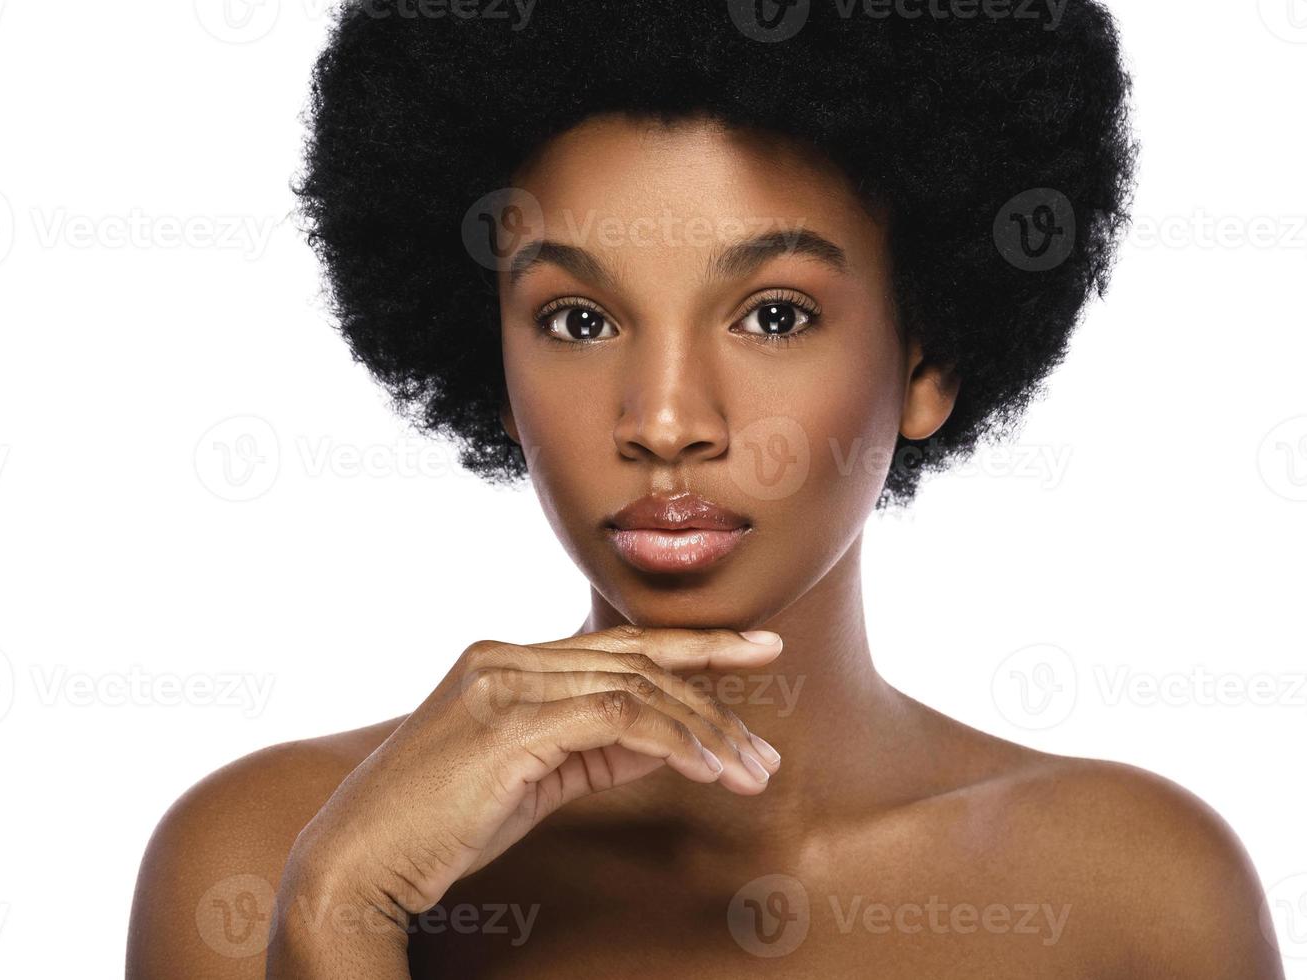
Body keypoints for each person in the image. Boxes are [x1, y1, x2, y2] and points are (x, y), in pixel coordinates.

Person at [126, 1, 1286, 976]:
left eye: (774, 314)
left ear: (924, 358)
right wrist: (338, 919)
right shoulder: (270, 857)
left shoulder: (1134, 897)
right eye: (577, 319)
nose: (666, 421)